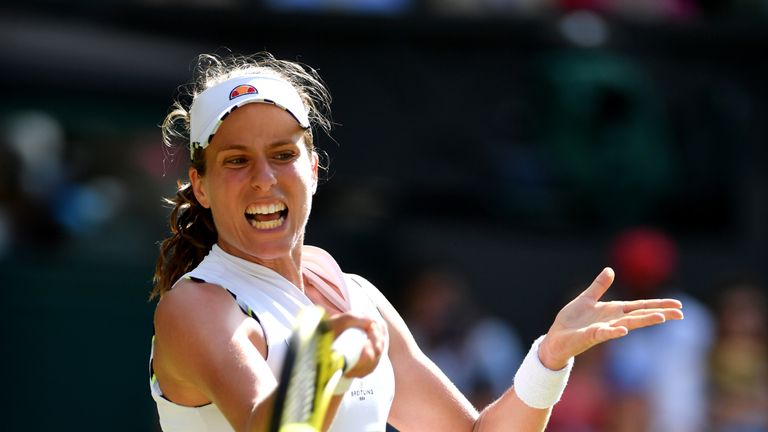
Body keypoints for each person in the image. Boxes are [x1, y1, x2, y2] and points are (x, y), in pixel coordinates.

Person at [148, 52, 684, 432]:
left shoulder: (356, 295)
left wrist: (548, 360)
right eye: (236, 161)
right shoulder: (195, 307)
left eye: (283, 155)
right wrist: (321, 362)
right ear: (201, 184)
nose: (264, 178)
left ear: (313, 168)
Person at [603, 227, 713, 432]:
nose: (645, 286)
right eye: (638, 279)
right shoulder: (607, 321)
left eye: (651, 279)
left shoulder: (693, 318)